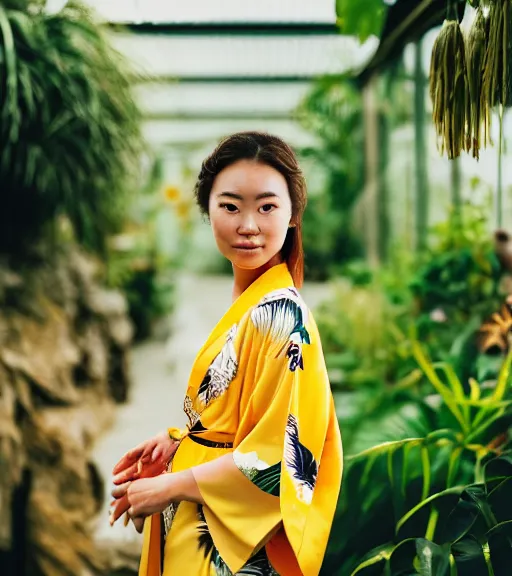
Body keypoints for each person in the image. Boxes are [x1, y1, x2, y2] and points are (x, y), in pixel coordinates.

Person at [110, 132, 343, 576]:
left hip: (231, 548)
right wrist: (184, 441)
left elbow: (279, 455)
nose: (248, 225)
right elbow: (240, 422)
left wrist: (171, 485)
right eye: (231, 206)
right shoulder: (253, 305)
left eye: (267, 206)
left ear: (293, 214)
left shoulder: (282, 317)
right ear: (207, 210)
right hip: (204, 523)